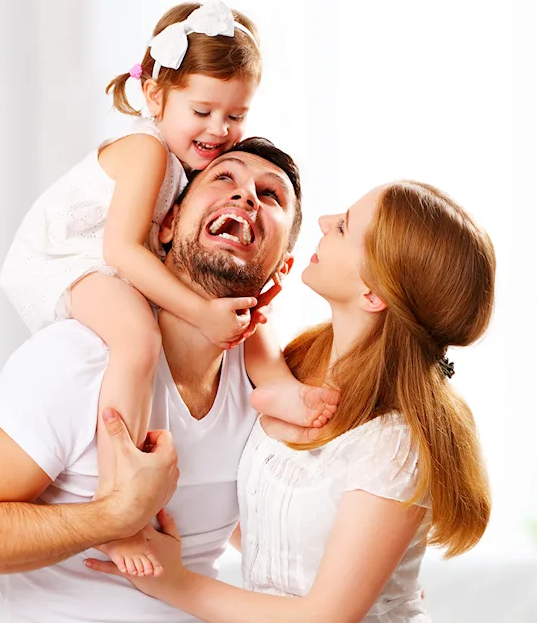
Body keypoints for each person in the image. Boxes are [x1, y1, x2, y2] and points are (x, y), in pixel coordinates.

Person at [0, 1, 335, 577]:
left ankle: (274, 380)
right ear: (155, 97)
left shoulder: (188, 166)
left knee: (238, 295)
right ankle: (119, 504)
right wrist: (202, 313)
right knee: (136, 339)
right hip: (67, 258)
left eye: (235, 117)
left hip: (123, 258)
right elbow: (121, 250)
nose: (219, 132)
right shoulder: (148, 150)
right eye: (202, 110)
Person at [0, 139, 305, 623]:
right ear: (168, 224)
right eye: (224, 177)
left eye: (270, 195)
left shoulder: (265, 387)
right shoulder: (75, 357)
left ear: (283, 269)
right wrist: (112, 517)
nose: (246, 196)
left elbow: (247, 527)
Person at [87, 181, 496, 622]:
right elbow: (281, 520)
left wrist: (175, 581)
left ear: (372, 295)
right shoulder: (293, 371)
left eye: (342, 227)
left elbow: (325, 617)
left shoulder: (393, 444)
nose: (323, 222)